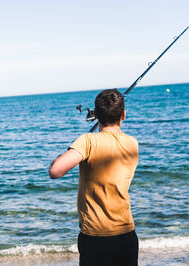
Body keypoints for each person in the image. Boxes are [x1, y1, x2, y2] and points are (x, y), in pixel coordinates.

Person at [49, 89, 139, 266]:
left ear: (96, 114)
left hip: (96, 236)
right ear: (124, 115)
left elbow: (56, 171)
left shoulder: (87, 141)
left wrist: (67, 153)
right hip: (127, 234)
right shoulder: (132, 143)